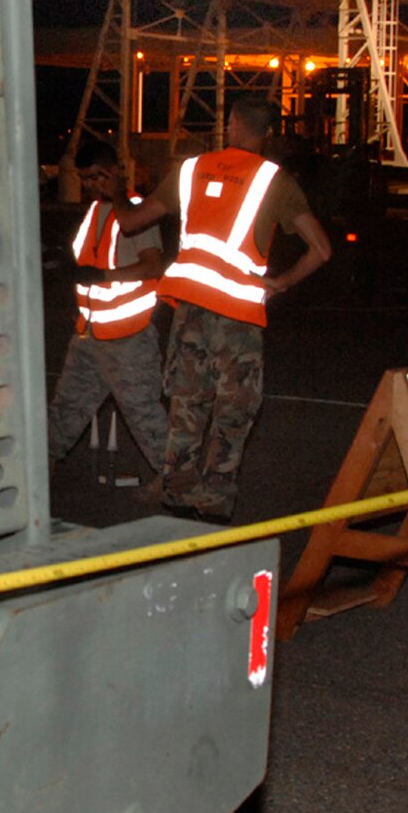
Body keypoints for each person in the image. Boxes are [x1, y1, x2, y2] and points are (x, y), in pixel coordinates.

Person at [111, 96, 331, 521]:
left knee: (186, 403)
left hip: (191, 310)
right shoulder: (275, 181)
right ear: (268, 135)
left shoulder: (190, 170)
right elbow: (321, 249)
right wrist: (279, 284)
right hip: (238, 317)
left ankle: (175, 492)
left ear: (230, 125)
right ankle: (214, 501)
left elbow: (132, 222)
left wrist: (116, 190)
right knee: (233, 411)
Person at [44, 142, 169, 475]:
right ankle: (41, 470)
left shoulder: (135, 210)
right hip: (89, 335)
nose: (91, 185)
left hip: (128, 340)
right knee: (67, 407)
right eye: (86, 179)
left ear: (116, 171)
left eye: (98, 176)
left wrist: (103, 276)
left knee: (145, 416)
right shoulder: (96, 211)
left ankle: (175, 484)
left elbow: (152, 267)